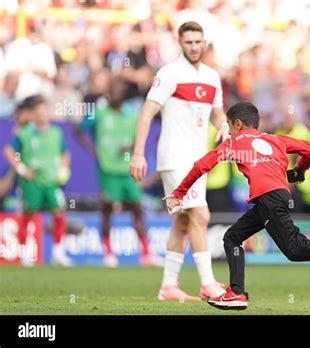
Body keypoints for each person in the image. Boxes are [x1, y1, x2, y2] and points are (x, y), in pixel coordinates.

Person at [163, 102, 310, 311]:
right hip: (276, 197)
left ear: (237, 124)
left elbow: (201, 165)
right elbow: (309, 149)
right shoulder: (275, 139)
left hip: (269, 199)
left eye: (227, 125)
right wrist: (299, 171)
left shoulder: (233, 142)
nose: (226, 130)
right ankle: (236, 293)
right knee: (233, 237)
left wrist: (179, 193)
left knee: (295, 250)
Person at [129, 21, 229, 301]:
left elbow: (217, 113)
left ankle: (168, 286)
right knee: (201, 215)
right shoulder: (169, 73)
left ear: (204, 43)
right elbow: (147, 113)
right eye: (189, 42)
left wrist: (224, 125)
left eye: (198, 42)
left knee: (184, 222)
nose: (194, 47)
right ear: (180, 43)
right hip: (175, 157)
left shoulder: (211, 77)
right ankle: (208, 284)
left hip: (198, 159)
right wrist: (138, 153)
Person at [76, 79, 162, 267]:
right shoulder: (98, 112)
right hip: (108, 170)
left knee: (137, 208)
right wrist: (94, 150)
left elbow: (140, 134)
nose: (114, 93)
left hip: (128, 170)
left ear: (124, 94)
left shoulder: (132, 114)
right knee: (107, 209)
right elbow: (78, 130)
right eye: (112, 90)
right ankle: (107, 252)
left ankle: (146, 253)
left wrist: (130, 146)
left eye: (118, 90)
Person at [3, 95, 72, 266]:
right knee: (28, 214)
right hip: (32, 181)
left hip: (51, 181)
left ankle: (58, 252)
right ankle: (25, 254)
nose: (42, 115)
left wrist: (63, 169)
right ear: (33, 115)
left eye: (44, 111)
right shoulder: (25, 134)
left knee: (59, 212)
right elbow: (9, 151)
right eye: (38, 112)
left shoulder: (56, 133)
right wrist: (21, 169)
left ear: (49, 112)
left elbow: (65, 153)